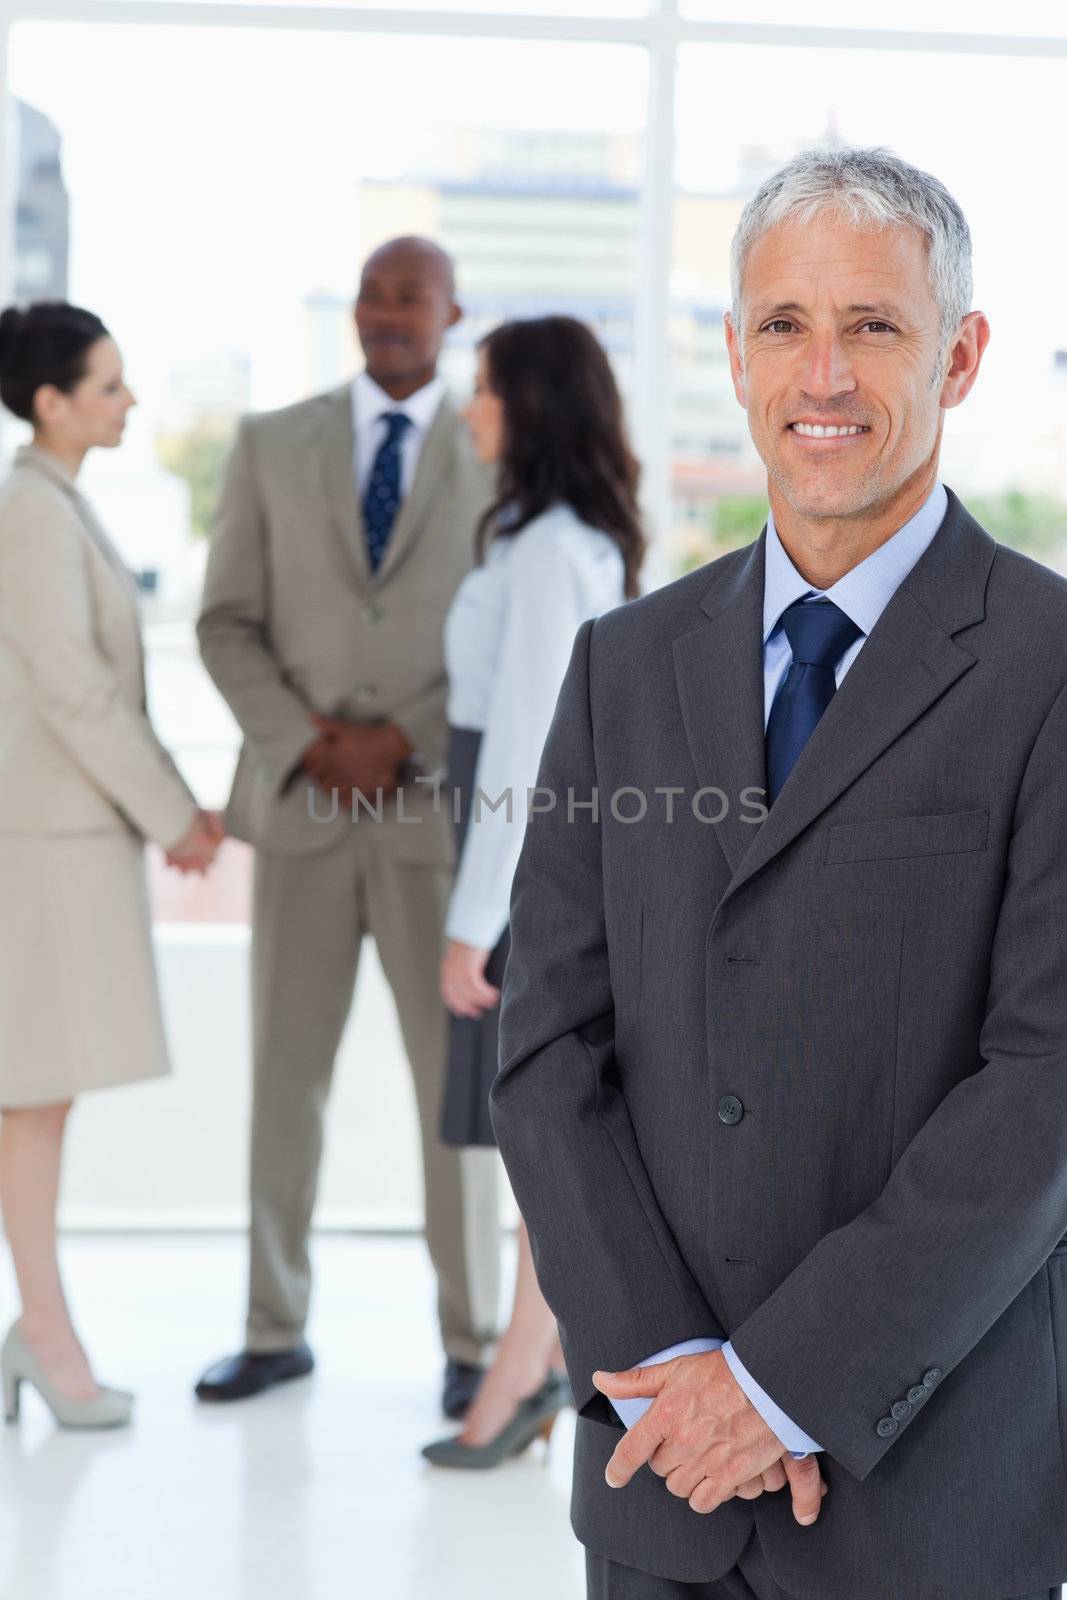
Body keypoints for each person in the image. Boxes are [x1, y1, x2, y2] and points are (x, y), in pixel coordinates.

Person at [491, 146, 1067, 1600]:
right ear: (733, 355)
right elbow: (546, 1048)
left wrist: (781, 1387)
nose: (823, 374)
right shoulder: (624, 667)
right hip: (661, 1479)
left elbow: (1045, 1080)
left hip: (922, 1494)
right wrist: (681, 1378)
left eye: (871, 326)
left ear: (959, 354)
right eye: (781, 325)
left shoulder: (1044, 664)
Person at [195, 238, 500, 1415]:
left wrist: (402, 741)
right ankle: (273, 1328)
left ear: (450, 313)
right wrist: (314, 741)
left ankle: (472, 1341)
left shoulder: (495, 448)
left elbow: (513, 633)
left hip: (435, 824)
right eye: (370, 294)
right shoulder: (271, 444)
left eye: (407, 296)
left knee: (454, 1095)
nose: (384, 313)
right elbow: (224, 623)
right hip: (304, 810)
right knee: (284, 1078)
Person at [421, 316, 642, 1468]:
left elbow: (523, 748)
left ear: (534, 405)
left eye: (488, 392)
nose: (471, 412)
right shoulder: (542, 538)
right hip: (507, 846)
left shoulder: (555, 546)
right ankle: (531, 1357)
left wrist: (475, 923)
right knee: (527, 1121)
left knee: (531, 1123)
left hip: (516, 858)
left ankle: (525, 1366)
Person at [0, 301, 222, 1430]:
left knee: (39, 1098)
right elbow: (75, 694)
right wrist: (174, 814)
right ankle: (43, 1335)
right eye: (110, 383)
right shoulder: (34, 515)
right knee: (30, 1099)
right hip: (43, 854)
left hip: (63, 847)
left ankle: (37, 1330)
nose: (130, 401)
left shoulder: (57, 503)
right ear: (51, 401)